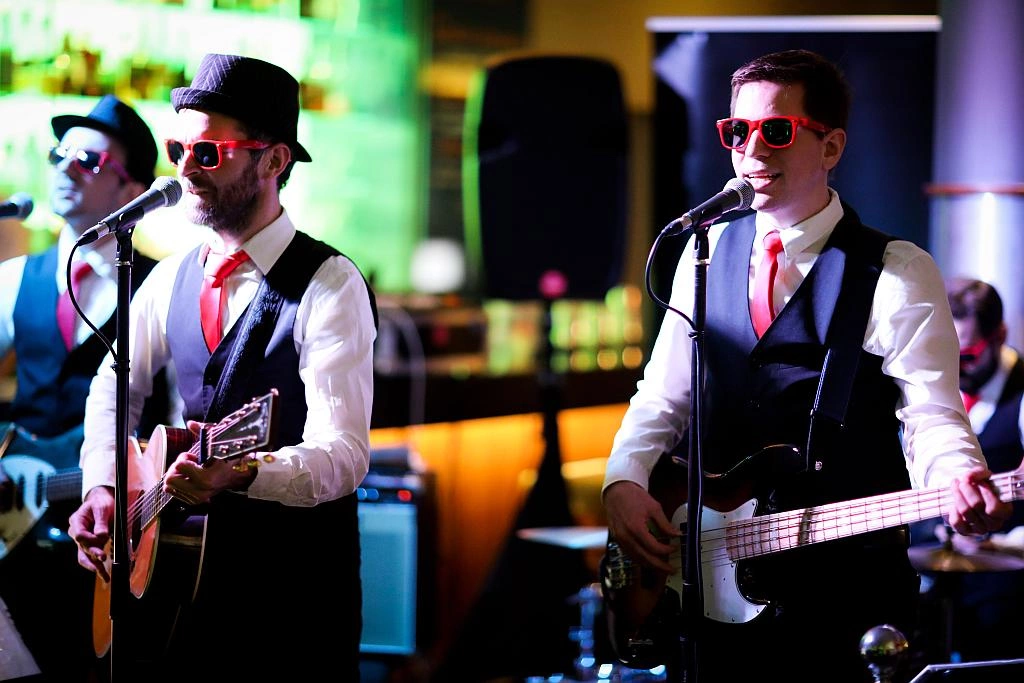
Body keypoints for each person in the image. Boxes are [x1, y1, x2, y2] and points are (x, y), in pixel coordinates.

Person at [601, 49, 1012, 683]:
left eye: (776, 130)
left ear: (831, 146)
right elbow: (663, 394)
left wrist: (961, 477)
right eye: (737, 130)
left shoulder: (895, 269)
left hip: (843, 595)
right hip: (713, 597)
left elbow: (931, 412)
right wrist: (625, 480)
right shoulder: (705, 250)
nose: (751, 150)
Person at [67, 53, 377, 680]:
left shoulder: (329, 283)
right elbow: (113, 386)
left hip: (292, 601)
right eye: (178, 149)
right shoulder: (169, 277)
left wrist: (246, 474)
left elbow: (345, 453)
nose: (184, 169)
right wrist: (104, 484)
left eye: (208, 153)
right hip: (181, 598)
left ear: (273, 161)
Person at [0, 94, 168, 681]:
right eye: (60, 154)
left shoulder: (161, 287)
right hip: (14, 526)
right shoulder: (15, 278)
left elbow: (177, 414)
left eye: (90, 161)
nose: (66, 168)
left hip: (114, 539)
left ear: (133, 192)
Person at [911, 277, 1024, 662]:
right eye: (944, 353)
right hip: (932, 582)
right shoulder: (924, 394)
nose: (954, 369)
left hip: (1005, 595)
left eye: (968, 355)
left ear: (1000, 335)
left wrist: (1000, 543)